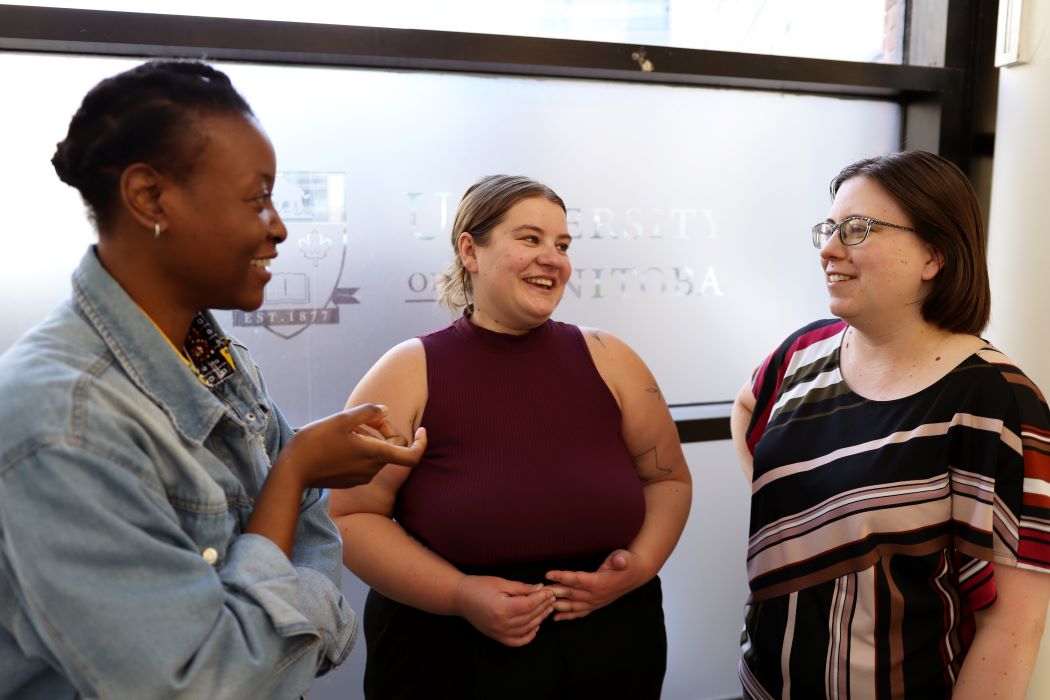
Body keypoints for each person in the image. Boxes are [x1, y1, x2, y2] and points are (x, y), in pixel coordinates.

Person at [0, 60, 425, 699]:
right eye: (258, 198)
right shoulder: (62, 419)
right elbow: (202, 685)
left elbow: (314, 572)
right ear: (149, 198)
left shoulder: (209, 355)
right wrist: (293, 473)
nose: (279, 227)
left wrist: (282, 629)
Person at [330, 174, 692, 699]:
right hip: (450, 658)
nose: (553, 257)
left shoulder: (612, 360)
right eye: (530, 239)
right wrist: (459, 594)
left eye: (562, 244)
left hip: (611, 647)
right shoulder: (409, 371)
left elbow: (669, 480)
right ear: (470, 251)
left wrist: (638, 568)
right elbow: (350, 515)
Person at [730, 150, 1050, 699]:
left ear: (935, 254)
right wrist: (815, 519)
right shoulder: (800, 355)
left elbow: (1012, 629)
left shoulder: (996, 403)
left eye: (858, 229)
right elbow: (745, 411)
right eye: (829, 229)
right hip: (764, 683)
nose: (829, 249)